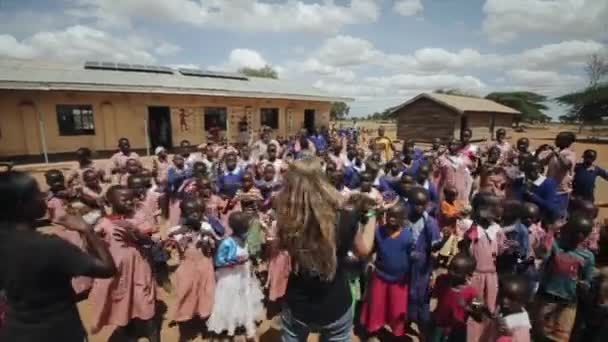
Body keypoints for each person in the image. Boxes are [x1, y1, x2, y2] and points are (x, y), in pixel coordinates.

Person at [0, 171, 116, 342]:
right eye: (37, 193)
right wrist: (87, 229)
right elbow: (107, 269)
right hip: (58, 331)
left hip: (15, 330)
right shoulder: (50, 247)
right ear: (22, 204)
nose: (44, 197)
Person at [277, 157, 376, 342]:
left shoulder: (287, 219)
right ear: (322, 179)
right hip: (336, 303)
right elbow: (363, 251)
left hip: (298, 303)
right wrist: (371, 215)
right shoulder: (345, 217)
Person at [88, 186, 159, 341]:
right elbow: (91, 245)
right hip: (118, 271)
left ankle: (153, 334)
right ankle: (128, 331)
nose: (129, 202)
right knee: (123, 300)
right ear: (110, 202)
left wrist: (135, 231)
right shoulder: (104, 223)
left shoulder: (138, 218)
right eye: (124, 199)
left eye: (131, 198)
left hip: (139, 267)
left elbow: (150, 240)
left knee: (144, 299)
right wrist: (92, 234)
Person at [533, 214, 595, 342]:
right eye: (575, 232)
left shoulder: (587, 257)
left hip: (569, 303)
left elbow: (588, 280)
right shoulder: (555, 246)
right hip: (547, 298)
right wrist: (551, 231)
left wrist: (584, 285)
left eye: (583, 233)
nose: (579, 236)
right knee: (540, 334)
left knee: (560, 337)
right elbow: (542, 253)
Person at [207, 211, 264, 340]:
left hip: (244, 275)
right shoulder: (227, 242)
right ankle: (229, 326)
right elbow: (218, 261)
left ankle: (242, 323)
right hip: (230, 277)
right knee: (229, 300)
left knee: (244, 298)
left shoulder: (245, 240)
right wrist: (234, 262)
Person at [360, 203, 412, 339]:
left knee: (397, 310)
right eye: (389, 216)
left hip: (399, 280)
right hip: (380, 277)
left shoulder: (408, 236)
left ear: (403, 219)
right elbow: (371, 250)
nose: (391, 219)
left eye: (396, 217)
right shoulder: (378, 232)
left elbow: (410, 257)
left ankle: (396, 334)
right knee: (376, 306)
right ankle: (373, 332)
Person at [167, 197, 217, 331]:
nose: (195, 215)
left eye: (199, 212)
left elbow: (214, 242)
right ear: (183, 213)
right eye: (190, 212)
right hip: (186, 265)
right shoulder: (176, 229)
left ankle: (204, 315)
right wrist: (180, 234)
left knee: (206, 290)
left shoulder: (206, 226)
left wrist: (206, 237)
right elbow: (173, 245)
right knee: (186, 290)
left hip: (205, 263)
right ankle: (184, 316)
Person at [461, 192, 505, 341]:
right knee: (475, 309)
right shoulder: (472, 228)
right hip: (475, 276)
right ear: (479, 208)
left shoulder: (497, 230)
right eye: (491, 207)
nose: (496, 210)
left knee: (490, 309)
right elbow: (465, 248)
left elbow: (500, 251)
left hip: (491, 277)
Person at [407, 187, 442, 338]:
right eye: (416, 204)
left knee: (422, 295)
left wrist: (433, 271)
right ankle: (407, 319)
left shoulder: (430, 223)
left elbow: (435, 249)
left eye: (423, 204)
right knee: (407, 293)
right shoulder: (404, 218)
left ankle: (423, 328)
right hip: (406, 265)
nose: (419, 207)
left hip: (423, 267)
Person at [430, 253, 479, 342]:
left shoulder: (471, 291)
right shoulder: (442, 280)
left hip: (457, 329)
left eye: (456, 270)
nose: (450, 271)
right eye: (450, 267)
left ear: (468, 274)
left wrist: (466, 307)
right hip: (439, 323)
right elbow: (434, 295)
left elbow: (478, 315)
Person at [480, 275, 532, 342]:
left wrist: (508, 334)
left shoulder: (521, 325)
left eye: (511, 298)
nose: (505, 300)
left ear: (523, 302)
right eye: (502, 295)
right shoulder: (501, 310)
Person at [536, 132, 576, 218]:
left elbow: (567, 165)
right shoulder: (555, 152)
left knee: (558, 214)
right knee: (547, 213)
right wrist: (539, 150)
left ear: (566, 141)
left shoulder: (570, 154)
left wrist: (556, 153)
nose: (555, 141)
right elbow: (542, 163)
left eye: (558, 139)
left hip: (561, 190)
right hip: (550, 188)